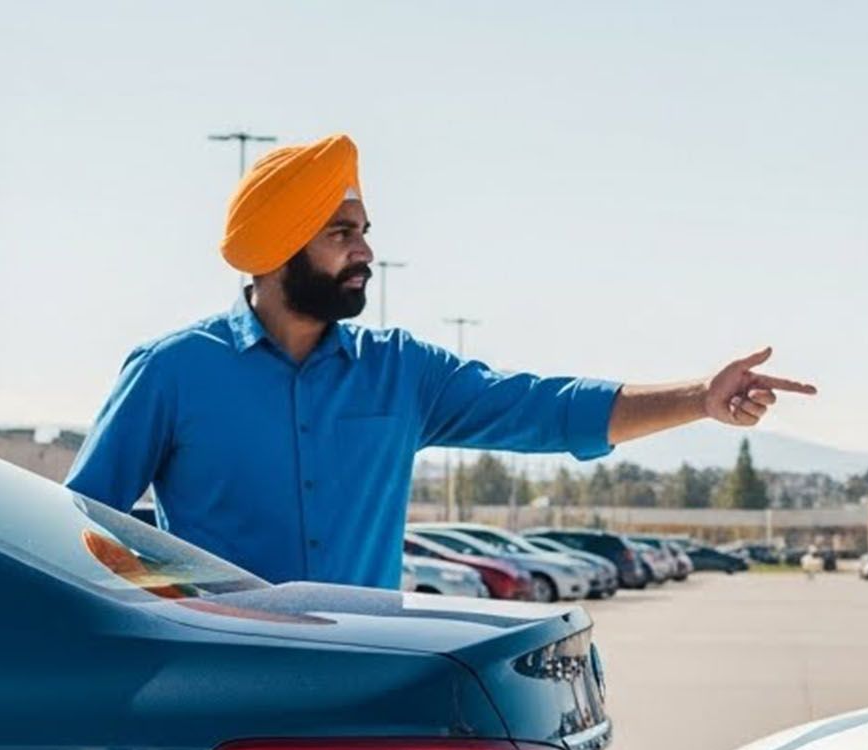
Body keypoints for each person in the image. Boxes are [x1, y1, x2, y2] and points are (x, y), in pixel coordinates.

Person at [68, 134, 815, 588]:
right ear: (274, 252)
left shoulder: (403, 372)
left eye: (363, 229)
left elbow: (548, 410)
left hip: (368, 693)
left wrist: (700, 398)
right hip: (216, 699)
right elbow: (86, 530)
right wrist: (181, 610)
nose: (364, 251)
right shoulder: (173, 372)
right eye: (340, 233)